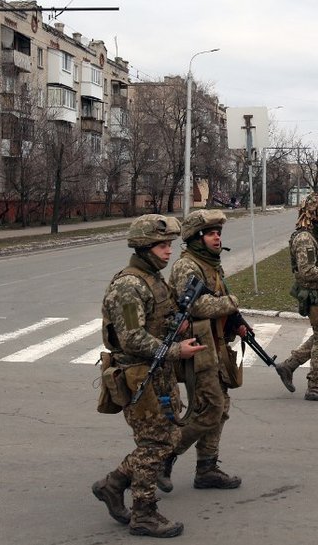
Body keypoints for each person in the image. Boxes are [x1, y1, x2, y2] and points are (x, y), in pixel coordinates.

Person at [92, 214, 205, 538]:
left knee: (165, 439)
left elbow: (157, 322)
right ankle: (144, 514)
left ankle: (113, 485)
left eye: (169, 244)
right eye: (161, 245)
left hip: (158, 373)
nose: (168, 251)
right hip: (139, 376)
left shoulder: (154, 279)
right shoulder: (129, 286)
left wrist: (177, 326)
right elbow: (132, 337)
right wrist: (174, 351)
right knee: (153, 444)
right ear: (143, 247)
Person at [156, 209, 250, 494]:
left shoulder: (210, 264)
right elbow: (195, 306)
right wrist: (231, 303)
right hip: (197, 348)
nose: (217, 238)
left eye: (218, 233)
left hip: (217, 345)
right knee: (210, 409)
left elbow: (215, 299)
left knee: (220, 408)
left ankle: (207, 468)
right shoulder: (188, 266)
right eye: (211, 233)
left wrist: (236, 321)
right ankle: (163, 458)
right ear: (197, 238)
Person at [275, 191, 318, 402]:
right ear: (313, 213)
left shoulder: (315, 235)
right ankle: (314, 385)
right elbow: (307, 271)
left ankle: (289, 365)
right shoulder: (305, 238)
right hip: (312, 294)